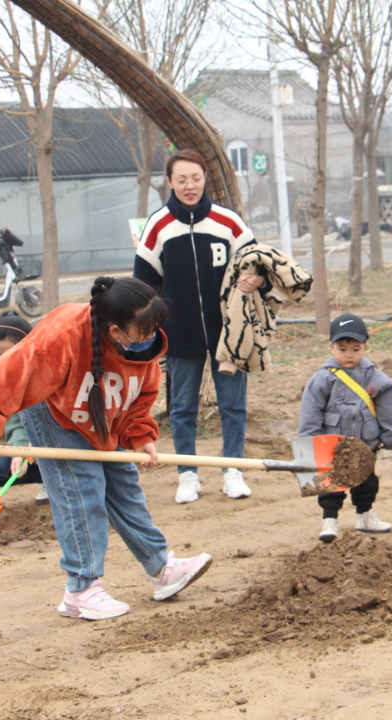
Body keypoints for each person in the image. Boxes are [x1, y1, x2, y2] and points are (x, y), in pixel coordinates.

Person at [0, 277, 212, 621]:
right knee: (82, 494)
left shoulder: (143, 347)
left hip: (98, 420)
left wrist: (139, 434)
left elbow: (141, 394)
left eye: (155, 328)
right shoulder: (62, 336)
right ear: (114, 332)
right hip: (52, 410)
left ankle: (161, 569)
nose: (151, 337)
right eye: (143, 331)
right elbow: (8, 373)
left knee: (124, 484)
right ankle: (80, 590)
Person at [134, 149, 264, 504]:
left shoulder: (229, 221)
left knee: (233, 404)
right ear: (169, 181)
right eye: (181, 179)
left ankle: (232, 471)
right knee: (182, 407)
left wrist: (254, 279)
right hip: (180, 332)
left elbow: (257, 265)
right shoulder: (158, 226)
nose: (189, 186)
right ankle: (187, 475)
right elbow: (145, 283)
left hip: (229, 332)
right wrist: (160, 321)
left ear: (204, 178)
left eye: (196, 178)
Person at [299, 313, 392, 543]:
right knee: (330, 486)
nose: (349, 355)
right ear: (331, 347)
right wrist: (309, 443)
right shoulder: (322, 378)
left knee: (366, 483)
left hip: (366, 443)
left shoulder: (375, 377)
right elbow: (311, 411)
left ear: (366, 346)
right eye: (342, 348)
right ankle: (329, 521)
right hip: (332, 446)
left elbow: (389, 407)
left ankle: (365, 516)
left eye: (356, 349)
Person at [0, 312, 48, 505]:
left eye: (12, 353)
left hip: (63, 441)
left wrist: (41, 441)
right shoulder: (5, 376)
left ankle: (64, 483)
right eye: (1, 355)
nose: (7, 360)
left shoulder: (51, 368)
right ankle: (47, 480)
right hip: (33, 449)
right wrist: (19, 449)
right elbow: (15, 421)